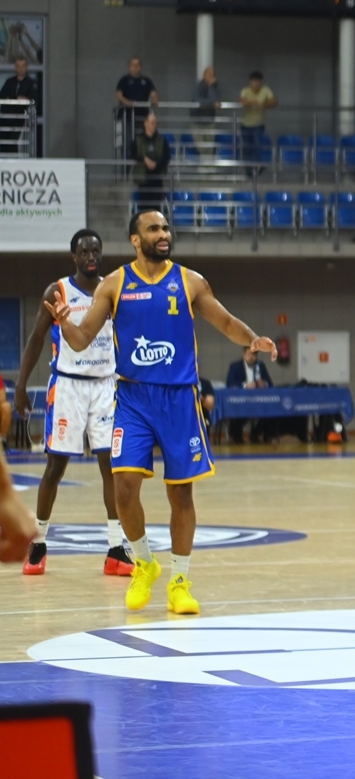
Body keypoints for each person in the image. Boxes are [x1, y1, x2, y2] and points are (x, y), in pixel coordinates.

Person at [52, 210, 275, 615]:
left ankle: (179, 582)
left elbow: (225, 321)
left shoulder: (190, 281)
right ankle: (144, 562)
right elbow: (82, 339)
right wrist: (65, 324)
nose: (163, 234)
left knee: (181, 492)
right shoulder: (115, 284)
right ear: (135, 240)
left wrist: (252, 338)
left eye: (166, 228)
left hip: (179, 399)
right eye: (154, 229)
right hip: (133, 399)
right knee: (123, 487)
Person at [16, 230, 131, 577]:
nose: (91, 256)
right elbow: (37, 338)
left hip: (105, 386)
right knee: (56, 467)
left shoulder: (113, 289)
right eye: (84, 251)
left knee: (111, 467)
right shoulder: (58, 291)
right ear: (74, 257)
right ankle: (38, 542)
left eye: (95, 250)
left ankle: (116, 548)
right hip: (68, 386)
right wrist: (21, 385)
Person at [224, 344, 274, 444]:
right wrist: (245, 385)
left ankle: (256, 433)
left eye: (254, 355)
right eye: (249, 354)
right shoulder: (235, 366)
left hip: (259, 400)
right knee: (241, 411)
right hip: (241, 400)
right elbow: (230, 383)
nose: (251, 357)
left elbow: (270, 383)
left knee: (271, 409)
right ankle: (236, 434)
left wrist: (264, 383)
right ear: (244, 354)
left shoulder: (260, 366)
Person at [115, 57, 158, 158]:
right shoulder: (124, 80)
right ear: (129, 67)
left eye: (137, 65)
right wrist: (126, 102)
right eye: (133, 65)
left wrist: (154, 99)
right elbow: (119, 94)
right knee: (128, 141)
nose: (135, 67)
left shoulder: (146, 80)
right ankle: (127, 162)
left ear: (140, 67)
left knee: (143, 140)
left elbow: (154, 93)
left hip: (142, 116)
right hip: (127, 116)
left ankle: (142, 160)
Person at [1, 55, 43, 153]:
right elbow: (2, 96)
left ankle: (14, 159)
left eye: (23, 66)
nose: (21, 68)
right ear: (15, 67)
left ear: (26, 67)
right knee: (4, 141)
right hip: (6, 117)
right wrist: (16, 98)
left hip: (21, 118)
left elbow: (33, 99)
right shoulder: (9, 82)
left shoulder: (31, 83)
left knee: (14, 141)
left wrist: (17, 99)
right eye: (18, 66)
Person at [238, 71, 276, 164]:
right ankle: (248, 168)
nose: (256, 84)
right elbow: (242, 101)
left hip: (258, 124)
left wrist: (264, 104)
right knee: (247, 147)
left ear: (261, 82)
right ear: (250, 82)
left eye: (258, 81)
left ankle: (257, 167)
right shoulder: (245, 90)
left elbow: (274, 102)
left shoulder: (265, 90)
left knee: (257, 146)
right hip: (245, 125)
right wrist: (254, 102)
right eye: (254, 81)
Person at [134, 112, 171, 201]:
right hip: (143, 179)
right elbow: (132, 154)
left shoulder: (162, 140)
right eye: (152, 123)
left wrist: (156, 164)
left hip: (157, 178)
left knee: (156, 205)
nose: (154, 125)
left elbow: (167, 157)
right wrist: (144, 159)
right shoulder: (138, 140)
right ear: (145, 123)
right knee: (145, 206)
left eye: (155, 123)